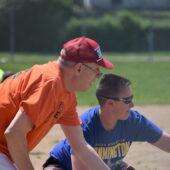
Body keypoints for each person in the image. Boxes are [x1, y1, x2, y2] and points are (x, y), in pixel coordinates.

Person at [0, 37, 114, 170]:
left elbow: (80, 147)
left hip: (6, 153)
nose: (98, 75)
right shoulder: (51, 83)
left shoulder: (66, 94)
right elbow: (14, 133)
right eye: (96, 69)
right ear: (79, 68)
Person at [43, 74, 170, 170]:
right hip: (63, 165)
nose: (132, 104)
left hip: (107, 165)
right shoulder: (87, 126)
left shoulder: (133, 121)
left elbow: (166, 142)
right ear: (110, 103)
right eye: (127, 100)